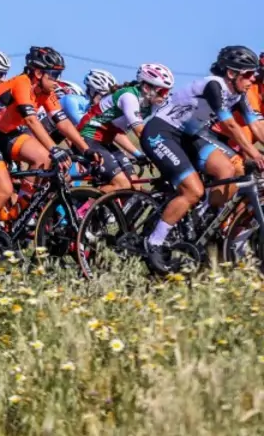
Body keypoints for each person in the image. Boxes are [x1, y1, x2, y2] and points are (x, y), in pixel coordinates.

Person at [138, 45, 264, 274]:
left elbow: (255, 126)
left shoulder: (239, 94)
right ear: (231, 73)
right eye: (247, 73)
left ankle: (203, 219)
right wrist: (254, 153)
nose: (252, 78)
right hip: (161, 132)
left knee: (226, 170)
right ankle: (154, 242)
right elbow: (229, 124)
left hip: (190, 135)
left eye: (254, 73)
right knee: (193, 190)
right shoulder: (214, 85)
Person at [0, 47, 102, 223]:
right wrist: (55, 148)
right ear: (38, 73)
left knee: (44, 158)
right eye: (54, 75)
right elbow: (32, 121)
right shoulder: (22, 83)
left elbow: (63, 122)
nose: (58, 81)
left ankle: (16, 213)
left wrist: (86, 149)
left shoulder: (45, 93)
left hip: (3, 133)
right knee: (3, 189)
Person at [79, 63, 173, 178]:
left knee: (134, 183)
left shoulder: (150, 102)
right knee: (121, 184)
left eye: (168, 91)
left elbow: (117, 132)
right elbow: (140, 132)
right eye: (162, 92)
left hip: (106, 140)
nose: (165, 96)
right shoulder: (129, 97)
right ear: (146, 88)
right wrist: (165, 154)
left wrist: (138, 154)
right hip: (88, 136)